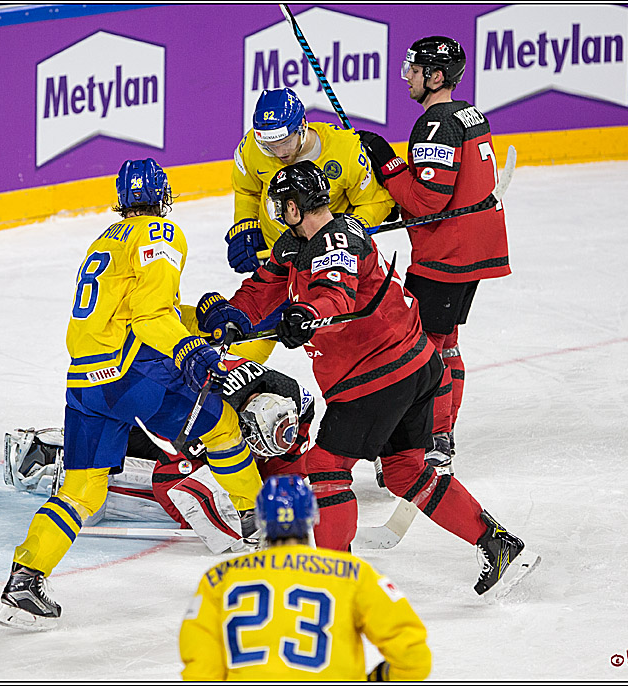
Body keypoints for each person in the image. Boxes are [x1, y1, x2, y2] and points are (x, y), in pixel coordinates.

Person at [197, 160, 538, 597]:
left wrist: (305, 313)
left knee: (324, 467)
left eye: (283, 206)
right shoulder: (297, 244)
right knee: (406, 471)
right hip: (414, 365)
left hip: (376, 376)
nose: (279, 213)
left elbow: (335, 294)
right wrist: (231, 316)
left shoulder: (339, 240)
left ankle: (334, 582)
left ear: (296, 207)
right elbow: (262, 287)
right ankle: (497, 542)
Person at [0, 159, 263, 631]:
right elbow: (148, 317)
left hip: (85, 382)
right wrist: (189, 348)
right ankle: (259, 520)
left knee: (81, 491)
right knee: (222, 426)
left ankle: (25, 580)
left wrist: (201, 316)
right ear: (164, 197)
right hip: (132, 376)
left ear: (120, 200)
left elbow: (139, 308)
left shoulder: (106, 239)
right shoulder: (161, 233)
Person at [359, 36, 511, 475]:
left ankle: (433, 439)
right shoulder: (469, 113)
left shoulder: (435, 125)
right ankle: (440, 434)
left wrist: (388, 166)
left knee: (421, 349)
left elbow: (427, 202)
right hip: (475, 251)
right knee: (445, 344)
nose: (406, 75)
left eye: (414, 68)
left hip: (447, 256)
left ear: (436, 76)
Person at [4, 355, 316, 554]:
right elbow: (171, 482)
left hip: (150, 382)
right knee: (186, 480)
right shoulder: (208, 417)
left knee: (236, 473)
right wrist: (239, 518)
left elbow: (291, 470)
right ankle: (54, 460)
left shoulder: (295, 399)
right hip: (149, 411)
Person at [178, 474, 432, 681]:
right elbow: (414, 659)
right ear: (312, 516)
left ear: (262, 518)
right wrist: (379, 677)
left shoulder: (218, 579)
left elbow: (199, 669)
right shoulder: (354, 574)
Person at [224, 87, 397, 363]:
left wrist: (344, 231)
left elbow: (377, 202)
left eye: (285, 142)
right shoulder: (252, 148)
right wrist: (244, 225)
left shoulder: (344, 151)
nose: (278, 152)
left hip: (325, 263)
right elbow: (246, 189)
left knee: (334, 339)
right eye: (269, 145)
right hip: (278, 260)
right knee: (252, 331)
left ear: (302, 127)